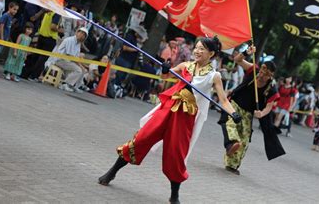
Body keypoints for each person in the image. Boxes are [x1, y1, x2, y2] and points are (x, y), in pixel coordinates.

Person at [97, 37, 241, 204]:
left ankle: (174, 196)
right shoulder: (185, 65)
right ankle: (112, 171)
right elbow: (166, 77)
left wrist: (233, 113)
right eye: (196, 47)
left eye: (202, 49)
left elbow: (223, 100)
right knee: (141, 139)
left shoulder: (214, 76)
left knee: (176, 155)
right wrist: (165, 69)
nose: (197, 51)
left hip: (184, 118)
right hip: (167, 109)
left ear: (212, 54)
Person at [219, 45, 285, 175]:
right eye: (261, 70)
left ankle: (232, 165)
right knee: (230, 124)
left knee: (245, 139)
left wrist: (261, 113)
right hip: (235, 104)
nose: (261, 74)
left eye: (265, 73)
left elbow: (269, 107)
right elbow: (238, 60)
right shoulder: (253, 70)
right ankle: (231, 144)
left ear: (270, 75)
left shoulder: (271, 88)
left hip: (249, 112)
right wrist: (246, 52)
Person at [24, 10, 63, 81]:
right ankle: (33, 76)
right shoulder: (56, 14)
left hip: (41, 36)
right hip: (50, 39)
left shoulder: (46, 12)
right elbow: (53, 27)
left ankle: (27, 74)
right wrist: (60, 30)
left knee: (36, 56)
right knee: (42, 59)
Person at [53, 28, 89, 92]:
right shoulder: (70, 40)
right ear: (77, 32)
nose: (82, 35)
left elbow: (76, 57)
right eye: (81, 33)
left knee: (83, 70)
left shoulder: (78, 43)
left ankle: (75, 86)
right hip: (60, 60)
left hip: (69, 61)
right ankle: (65, 84)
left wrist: (82, 65)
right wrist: (80, 65)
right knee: (79, 70)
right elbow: (70, 56)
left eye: (84, 35)